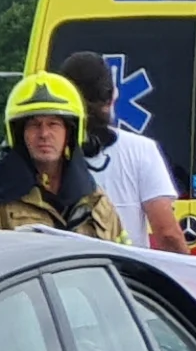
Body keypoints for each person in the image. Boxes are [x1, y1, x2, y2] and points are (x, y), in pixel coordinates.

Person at [0, 72, 126, 239]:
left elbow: (123, 259)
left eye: (53, 124)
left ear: (70, 133)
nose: (44, 133)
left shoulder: (95, 199)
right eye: (34, 125)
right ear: (20, 134)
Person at [58, 49, 182, 251]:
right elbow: (168, 234)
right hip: (123, 278)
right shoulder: (142, 151)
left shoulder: (44, 152)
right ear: (112, 96)